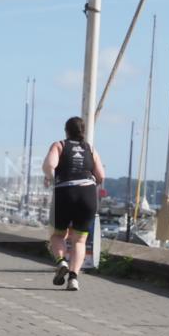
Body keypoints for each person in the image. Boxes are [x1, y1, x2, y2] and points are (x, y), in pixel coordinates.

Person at [42, 116, 105, 291]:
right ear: (83, 132)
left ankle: (61, 262)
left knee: (57, 235)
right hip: (87, 194)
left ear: (66, 131)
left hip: (65, 193)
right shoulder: (91, 149)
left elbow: (49, 165)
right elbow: (101, 176)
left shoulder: (59, 145)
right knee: (79, 240)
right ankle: (73, 278)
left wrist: (50, 177)